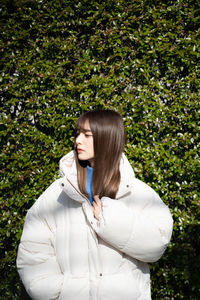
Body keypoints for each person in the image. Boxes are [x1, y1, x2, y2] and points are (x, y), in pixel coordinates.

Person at [16, 109, 173, 300]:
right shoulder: (58, 193)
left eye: (87, 135)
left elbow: (157, 244)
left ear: (107, 138)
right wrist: (60, 292)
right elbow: (33, 251)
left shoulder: (135, 191)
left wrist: (111, 218)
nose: (78, 141)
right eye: (77, 134)